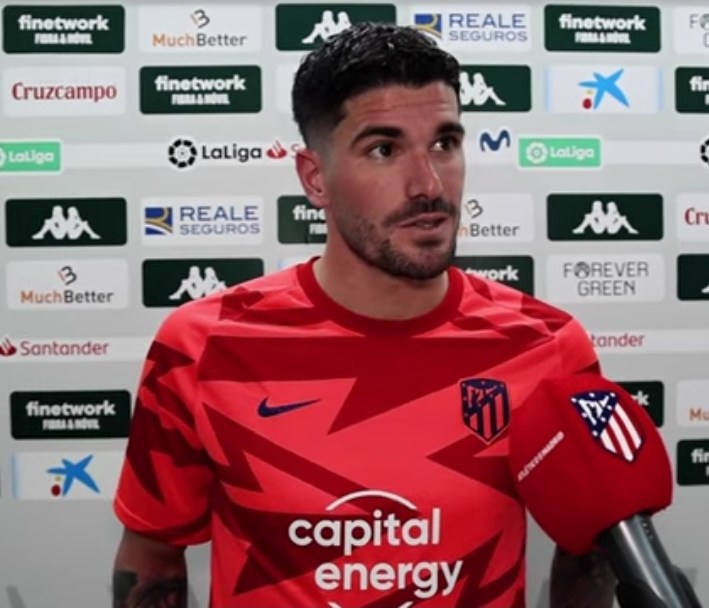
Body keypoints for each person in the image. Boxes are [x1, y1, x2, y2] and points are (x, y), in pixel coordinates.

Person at [112, 23, 616, 608]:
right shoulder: (201, 347)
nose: (428, 184)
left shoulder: (549, 346)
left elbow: (593, 553)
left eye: (444, 143)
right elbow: (152, 561)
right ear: (315, 177)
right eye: (384, 149)